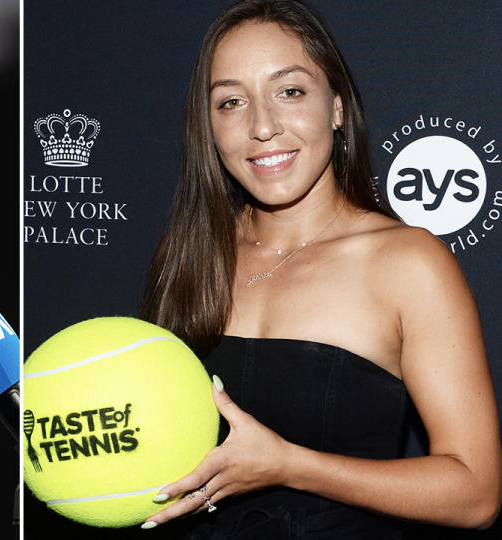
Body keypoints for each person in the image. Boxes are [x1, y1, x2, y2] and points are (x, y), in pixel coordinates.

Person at [139, 0, 501, 537]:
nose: (262, 126)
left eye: (289, 91)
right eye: (231, 102)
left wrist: (290, 465)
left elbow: (475, 494)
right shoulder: (186, 253)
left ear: (336, 107)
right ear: (209, 127)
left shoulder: (407, 263)